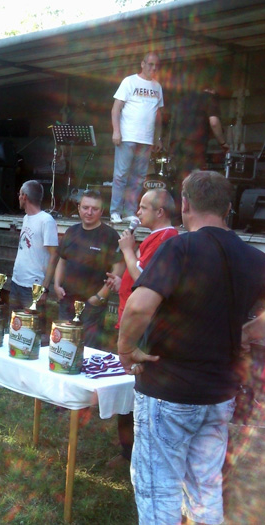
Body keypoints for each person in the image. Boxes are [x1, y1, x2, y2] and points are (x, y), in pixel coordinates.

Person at [118, 171, 265, 524]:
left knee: (160, 490)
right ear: (228, 208)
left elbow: (138, 307)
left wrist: (126, 350)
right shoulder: (254, 257)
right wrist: (248, 332)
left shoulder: (179, 247)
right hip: (220, 394)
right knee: (205, 487)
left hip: (168, 390)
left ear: (184, 205)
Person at [104, 188, 177, 464]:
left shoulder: (166, 238)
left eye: (143, 207)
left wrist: (126, 250)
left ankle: (132, 452)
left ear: (160, 212)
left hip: (144, 327)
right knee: (130, 384)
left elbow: (144, 280)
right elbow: (138, 276)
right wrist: (120, 281)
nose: (137, 212)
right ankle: (127, 449)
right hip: (131, 320)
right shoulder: (155, 237)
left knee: (137, 386)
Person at [54, 189, 124, 350]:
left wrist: (99, 297)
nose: (89, 212)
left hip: (92, 306)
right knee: (63, 347)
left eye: (95, 209)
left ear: (102, 211)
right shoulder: (71, 232)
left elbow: (119, 267)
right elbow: (62, 261)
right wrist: (56, 285)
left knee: (88, 351)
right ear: (79, 208)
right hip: (67, 301)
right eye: (85, 207)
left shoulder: (110, 236)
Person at [110, 51, 164, 224]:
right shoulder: (129, 81)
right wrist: (116, 131)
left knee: (139, 177)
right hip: (128, 136)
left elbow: (158, 115)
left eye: (156, 65)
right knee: (121, 175)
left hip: (146, 139)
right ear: (142, 64)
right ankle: (115, 211)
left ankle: (129, 211)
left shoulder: (157, 87)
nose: (153, 68)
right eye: (150, 64)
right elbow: (116, 108)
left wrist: (158, 138)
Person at [9, 180, 59, 339]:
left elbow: (54, 256)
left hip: (33, 288)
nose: (18, 197)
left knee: (34, 333)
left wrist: (44, 289)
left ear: (24, 196)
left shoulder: (46, 220)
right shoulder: (26, 218)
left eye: (19, 194)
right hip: (17, 282)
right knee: (16, 329)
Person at [171, 86, 230, 188]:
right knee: (195, 179)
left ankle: (181, 197)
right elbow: (214, 122)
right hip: (195, 145)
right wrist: (223, 143)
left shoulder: (185, 99)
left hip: (177, 143)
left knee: (180, 178)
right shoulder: (209, 98)